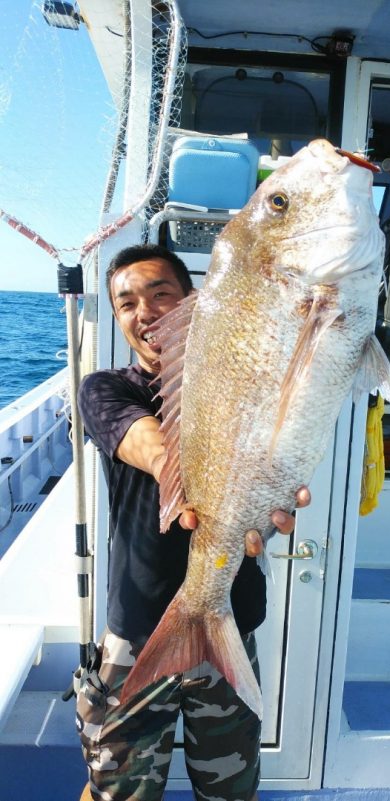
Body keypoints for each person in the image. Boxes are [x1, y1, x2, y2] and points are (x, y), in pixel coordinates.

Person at [76, 243, 311, 801]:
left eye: (161, 294)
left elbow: (282, 457)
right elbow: (150, 447)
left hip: (229, 631)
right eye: (127, 302)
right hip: (139, 635)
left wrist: (271, 499)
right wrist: (197, 480)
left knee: (230, 791)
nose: (145, 312)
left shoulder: (248, 391)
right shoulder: (107, 389)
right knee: (116, 792)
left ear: (194, 302)